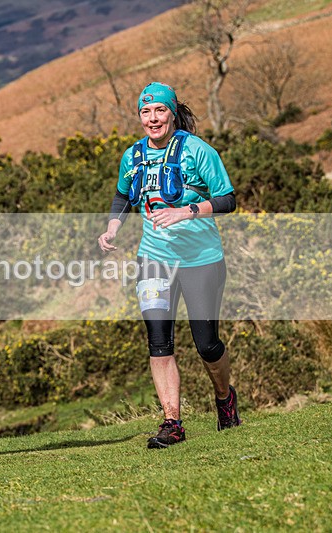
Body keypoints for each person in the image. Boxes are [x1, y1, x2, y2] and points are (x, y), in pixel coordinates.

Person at [97, 81, 241, 449]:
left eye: (159, 110)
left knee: (207, 345)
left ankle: (225, 397)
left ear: (172, 113)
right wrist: (114, 225)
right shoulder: (132, 155)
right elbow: (123, 194)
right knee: (158, 341)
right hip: (153, 260)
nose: (152, 118)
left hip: (201, 260)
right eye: (145, 112)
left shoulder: (198, 151)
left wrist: (188, 211)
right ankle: (172, 422)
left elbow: (228, 199)